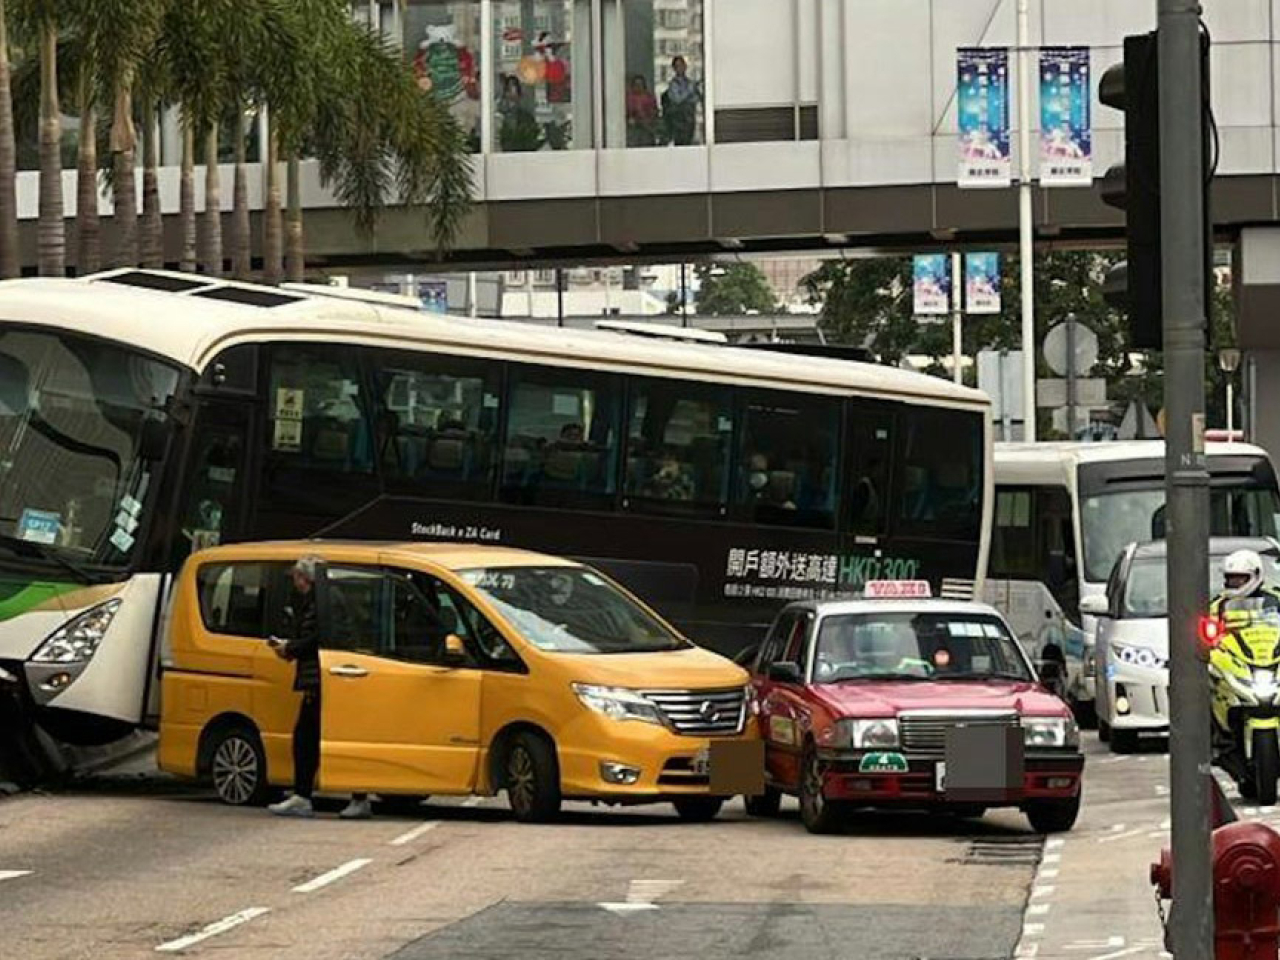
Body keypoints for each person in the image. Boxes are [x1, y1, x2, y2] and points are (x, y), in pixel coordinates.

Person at [267, 556, 372, 820]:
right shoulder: (325, 598)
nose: (295, 584)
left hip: (322, 678)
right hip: (325, 675)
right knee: (316, 736)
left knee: (308, 738)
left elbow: (318, 638)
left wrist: (289, 648)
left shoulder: (323, 601)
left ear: (305, 578)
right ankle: (351, 796)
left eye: (296, 578)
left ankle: (308, 796)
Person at [1210, 549, 1280, 615]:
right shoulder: (1217, 604)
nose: (1233, 582)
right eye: (1230, 577)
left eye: (1240, 577)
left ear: (1256, 574)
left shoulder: (1275, 600)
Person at [661, 56, 700, 146]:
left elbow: (695, 98)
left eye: (682, 65)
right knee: (680, 142)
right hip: (678, 120)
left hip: (689, 118)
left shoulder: (689, 82)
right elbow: (677, 99)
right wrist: (689, 91)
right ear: (674, 68)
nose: (680, 68)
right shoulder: (673, 84)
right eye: (677, 66)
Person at [626, 74, 659, 147]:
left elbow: (654, 111)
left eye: (640, 84)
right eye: (636, 84)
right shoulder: (629, 98)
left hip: (647, 127)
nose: (638, 87)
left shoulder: (649, 97)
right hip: (633, 127)